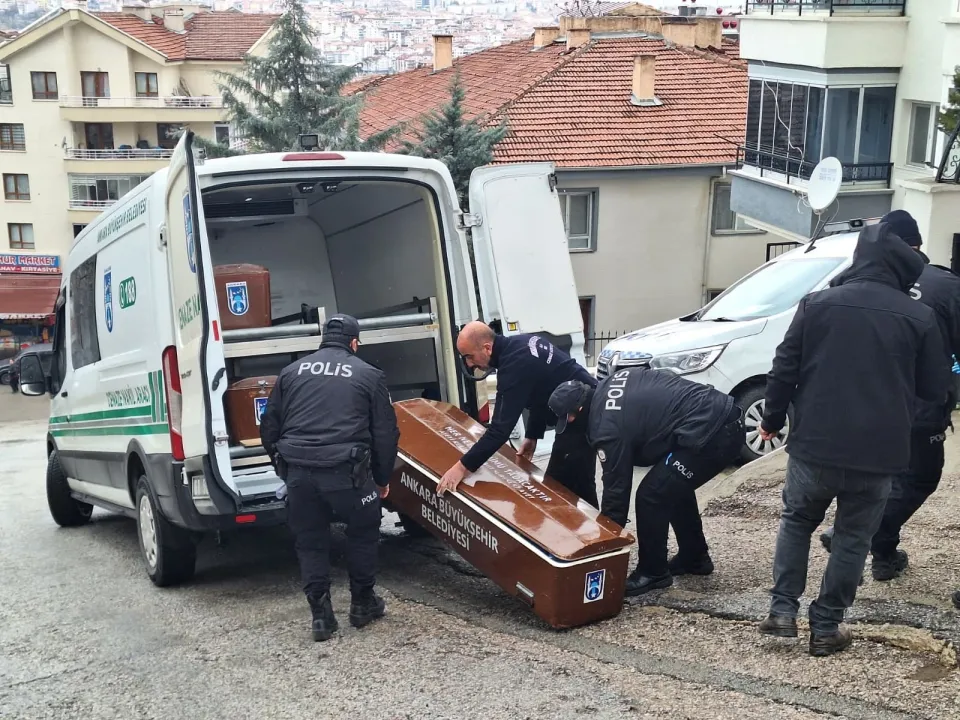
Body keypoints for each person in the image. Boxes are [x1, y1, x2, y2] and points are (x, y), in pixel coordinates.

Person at [757, 222, 949, 657]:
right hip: (879, 453)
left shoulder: (817, 304)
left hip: (815, 444)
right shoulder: (919, 317)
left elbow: (784, 367)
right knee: (852, 538)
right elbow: (934, 389)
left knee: (797, 521)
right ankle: (826, 627)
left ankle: (782, 610)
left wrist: (772, 419)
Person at [819, 211, 960, 581]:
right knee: (919, 479)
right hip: (919, 407)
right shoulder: (945, 286)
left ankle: (883, 554)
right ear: (917, 244)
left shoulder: (849, 282)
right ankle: (855, 532)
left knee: (876, 479)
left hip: (859, 403)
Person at [260, 314, 400, 642]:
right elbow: (385, 434)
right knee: (363, 533)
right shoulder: (369, 374)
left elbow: (269, 427)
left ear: (322, 340)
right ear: (354, 343)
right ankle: (362, 604)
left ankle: (321, 617)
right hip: (348, 475)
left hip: (300, 475)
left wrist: (283, 469)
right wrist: (382, 479)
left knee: (310, 541)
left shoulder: (291, 372)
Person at [547, 367, 745, 596]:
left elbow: (616, 493)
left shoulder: (606, 428)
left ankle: (653, 572)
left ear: (579, 410)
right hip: (720, 417)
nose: (570, 423)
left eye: (569, 418)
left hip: (715, 434)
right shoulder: (608, 384)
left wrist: (602, 550)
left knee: (652, 495)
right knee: (671, 484)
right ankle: (694, 557)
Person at [436, 322, 598, 504]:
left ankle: (602, 522)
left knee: (558, 487)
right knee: (574, 483)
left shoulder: (514, 365)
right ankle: (596, 521)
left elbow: (499, 431)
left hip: (583, 411)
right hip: (585, 404)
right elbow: (540, 393)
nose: (469, 364)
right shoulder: (518, 345)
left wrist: (461, 468)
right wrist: (532, 436)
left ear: (487, 348)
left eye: (469, 357)